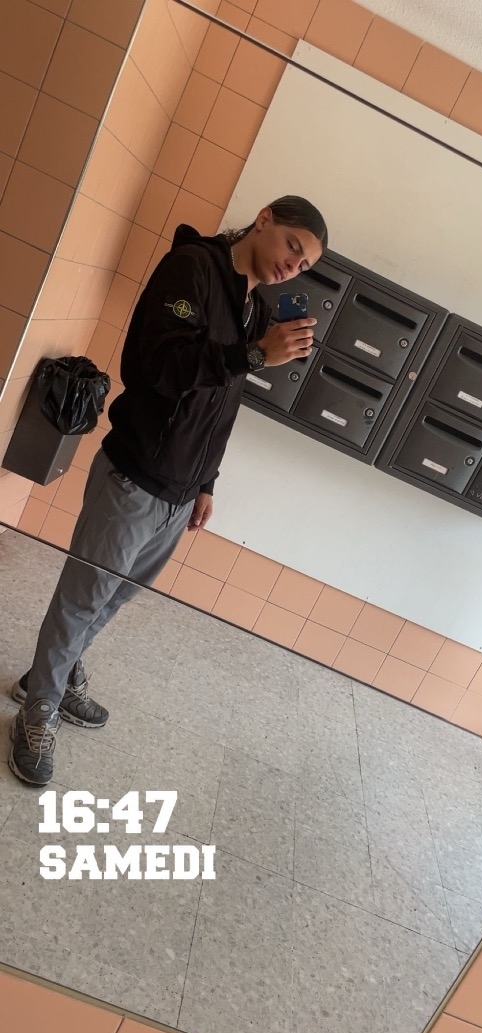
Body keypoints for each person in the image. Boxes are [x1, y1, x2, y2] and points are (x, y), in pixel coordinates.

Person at [9, 195, 327, 786]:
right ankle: (37, 712)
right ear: (264, 219)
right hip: (134, 475)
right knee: (83, 598)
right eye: (292, 245)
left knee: (114, 599)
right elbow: (155, 366)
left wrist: (207, 483)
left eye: (304, 264)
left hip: (179, 495)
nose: (293, 266)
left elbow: (222, 407)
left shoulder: (254, 307)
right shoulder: (193, 268)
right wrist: (253, 354)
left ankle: (50, 674)